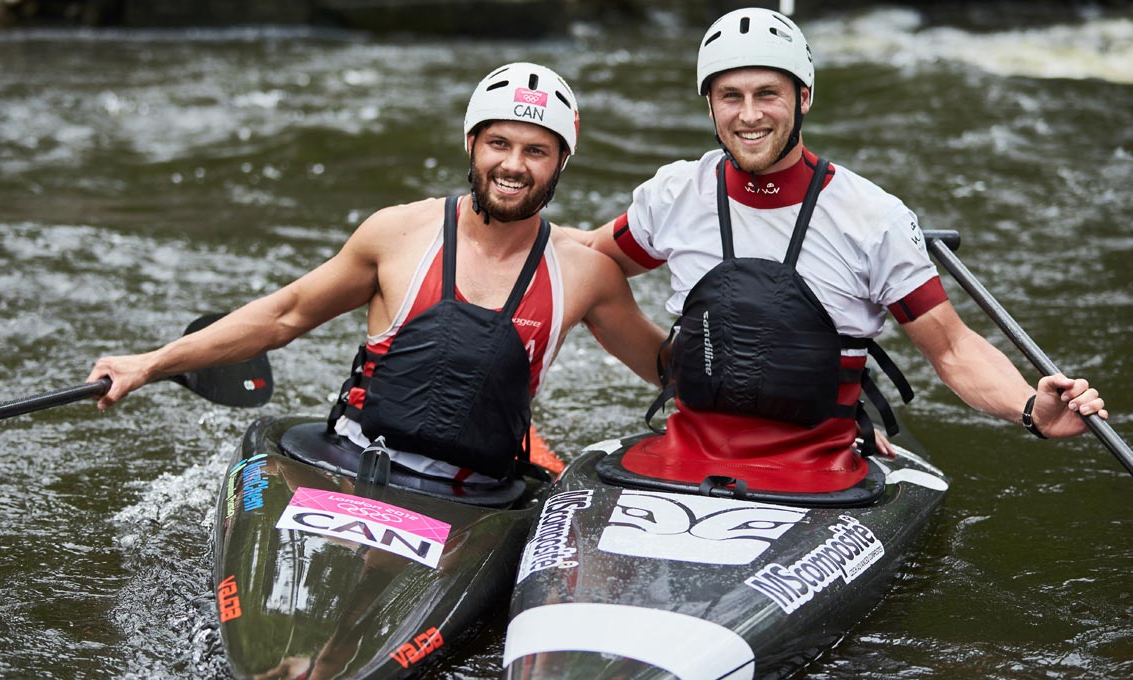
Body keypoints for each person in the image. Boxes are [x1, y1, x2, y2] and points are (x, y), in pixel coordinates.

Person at [568, 8, 1107, 494]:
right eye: (731, 96)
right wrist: (493, 225)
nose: (749, 114)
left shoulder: (873, 219)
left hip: (818, 471)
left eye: (768, 94)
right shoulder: (676, 192)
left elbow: (952, 348)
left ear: (803, 98)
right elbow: (590, 260)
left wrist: (1032, 410)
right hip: (679, 455)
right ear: (710, 104)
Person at [87, 62, 666, 483]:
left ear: (562, 159)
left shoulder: (585, 273)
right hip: (356, 463)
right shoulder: (396, 234)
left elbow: (672, 375)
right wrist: (149, 363)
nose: (513, 165)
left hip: (483, 494)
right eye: (498, 143)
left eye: (536, 151)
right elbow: (284, 315)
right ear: (471, 143)